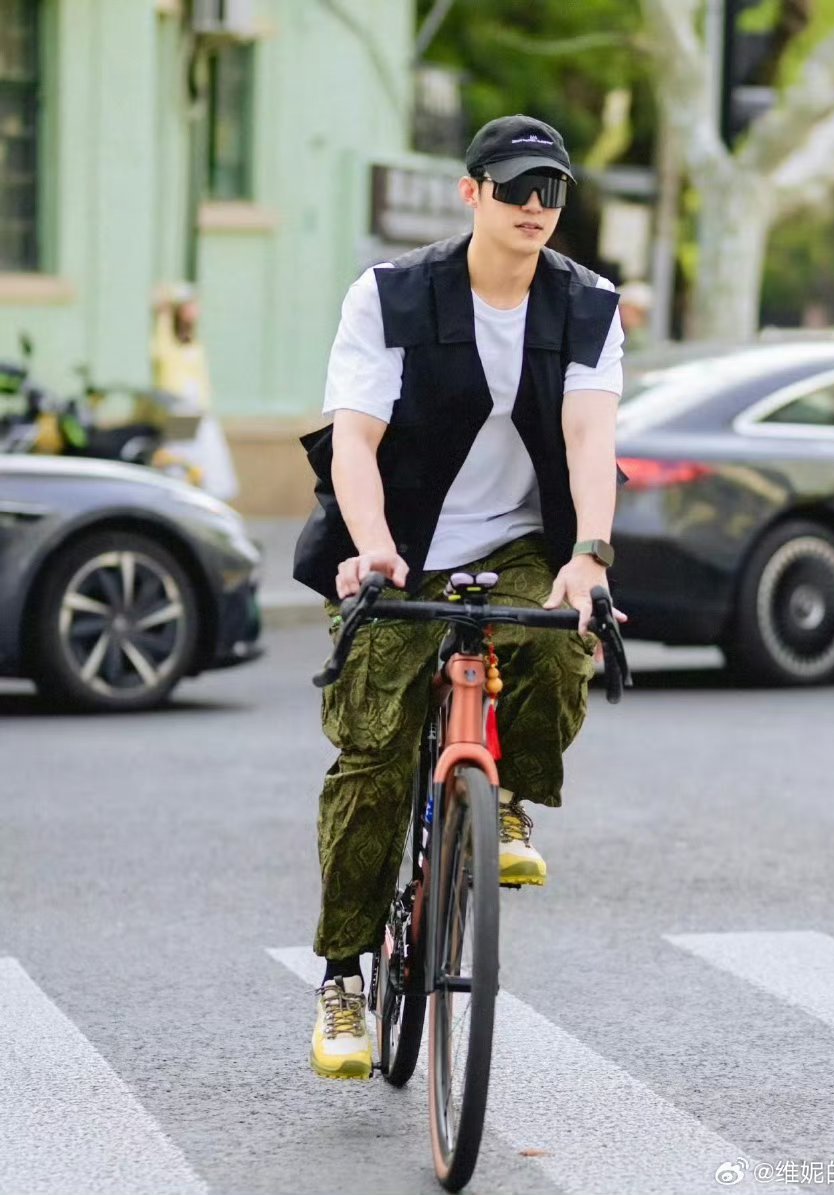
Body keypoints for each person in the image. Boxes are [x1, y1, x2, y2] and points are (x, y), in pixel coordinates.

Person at [293, 114, 626, 1080]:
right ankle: (343, 975)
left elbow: (589, 438)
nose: (535, 206)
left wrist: (589, 556)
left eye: (551, 190)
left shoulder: (588, 304)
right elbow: (355, 440)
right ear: (470, 191)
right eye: (515, 187)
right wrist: (372, 548)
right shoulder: (391, 295)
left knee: (560, 642)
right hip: (399, 543)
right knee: (373, 754)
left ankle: (507, 796)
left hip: (522, 539)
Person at [151, 284, 239, 502]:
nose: (196, 311)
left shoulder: (194, 342)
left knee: (209, 457)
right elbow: (162, 355)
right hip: (181, 409)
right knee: (180, 457)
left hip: (199, 409)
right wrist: (164, 313)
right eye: (190, 306)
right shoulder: (167, 343)